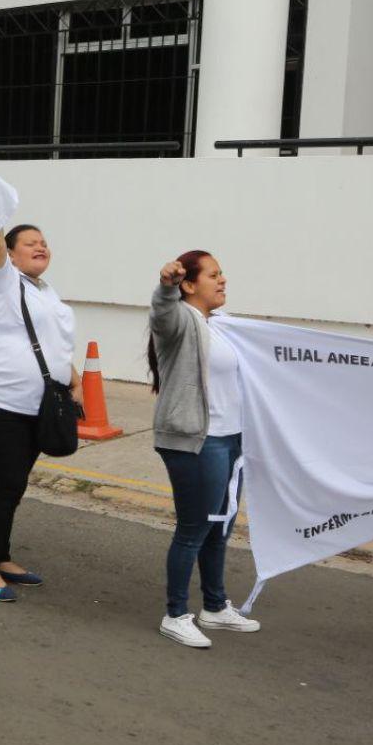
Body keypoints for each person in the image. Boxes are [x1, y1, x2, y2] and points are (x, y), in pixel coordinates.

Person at [0, 225, 81, 602]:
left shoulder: (45, 291)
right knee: (6, 482)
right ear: (10, 255)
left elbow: (52, 343)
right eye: (30, 243)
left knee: (15, 483)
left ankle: (2, 557)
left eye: (44, 242)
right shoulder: (1, 280)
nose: (41, 246)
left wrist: (73, 376)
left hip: (37, 406)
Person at [148, 251, 260, 649]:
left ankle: (214, 606)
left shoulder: (221, 326)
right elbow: (162, 313)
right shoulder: (182, 320)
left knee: (220, 528)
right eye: (213, 275)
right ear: (190, 285)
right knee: (194, 529)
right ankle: (175, 614)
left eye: (222, 273)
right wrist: (165, 286)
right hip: (198, 441)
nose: (223, 280)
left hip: (231, 441)